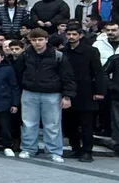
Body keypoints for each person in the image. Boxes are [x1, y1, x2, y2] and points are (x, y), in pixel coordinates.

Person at [14, 28, 76, 163]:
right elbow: (18, 74)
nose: (37, 43)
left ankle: (54, 152)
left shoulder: (57, 55)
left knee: (52, 124)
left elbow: (67, 77)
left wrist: (67, 96)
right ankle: (28, 149)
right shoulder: (25, 55)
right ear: (30, 41)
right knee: (28, 123)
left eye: (40, 40)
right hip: (29, 92)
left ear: (46, 40)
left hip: (52, 94)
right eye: (34, 40)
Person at [61, 23, 106, 162]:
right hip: (68, 91)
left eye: (74, 34)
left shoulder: (91, 51)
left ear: (80, 35)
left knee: (86, 124)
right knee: (70, 123)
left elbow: (98, 72)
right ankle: (75, 148)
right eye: (68, 34)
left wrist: (99, 91)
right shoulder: (64, 51)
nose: (71, 37)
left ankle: (87, 151)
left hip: (86, 91)